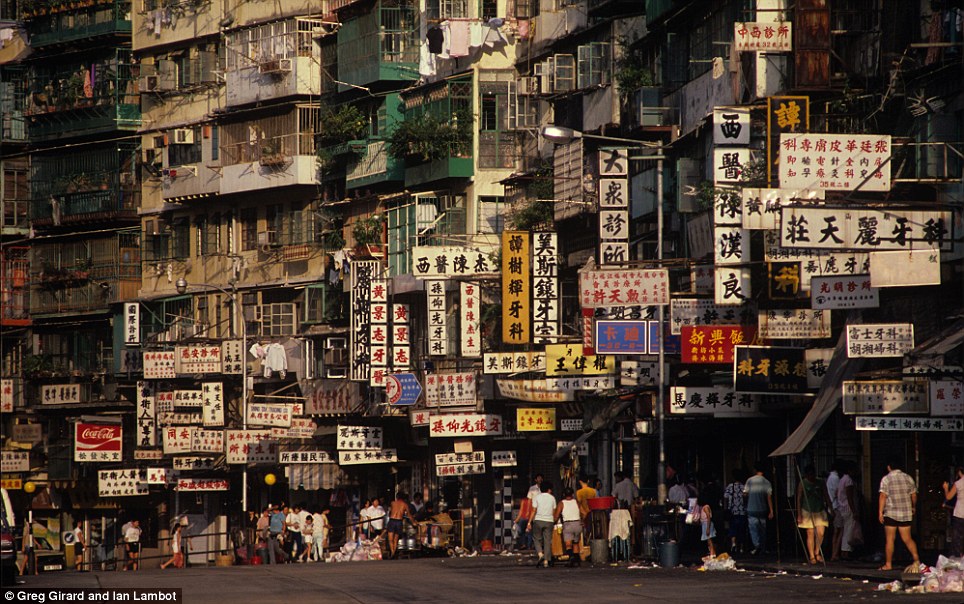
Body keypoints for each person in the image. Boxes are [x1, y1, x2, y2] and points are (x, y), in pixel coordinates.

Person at [878, 458, 920, 571]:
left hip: (891, 513)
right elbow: (914, 495)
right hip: (906, 513)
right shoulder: (908, 478)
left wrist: (880, 512)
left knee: (890, 539)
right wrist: (913, 506)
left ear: (889, 467)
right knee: (907, 538)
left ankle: (888, 564)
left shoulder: (886, 479)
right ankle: (917, 560)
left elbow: (883, 496)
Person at [796, 465, 831, 564]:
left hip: (819, 509)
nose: (811, 477)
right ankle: (811, 556)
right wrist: (799, 514)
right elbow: (799, 499)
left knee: (821, 532)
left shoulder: (820, 482)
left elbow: (826, 495)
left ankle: (817, 551)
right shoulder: (803, 483)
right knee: (810, 533)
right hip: (807, 510)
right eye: (809, 475)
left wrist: (831, 507)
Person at [744, 462, 773, 555]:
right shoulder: (766, 482)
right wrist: (771, 510)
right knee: (762, 529)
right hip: (762, 508)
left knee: (753, 529)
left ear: (755, 470)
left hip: (751, 508)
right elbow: (769, 497)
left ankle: (757, 546)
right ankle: (763, 547)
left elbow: (745, 493)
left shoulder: (750, 480)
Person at [528, 481, 556, 568]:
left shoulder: (537, 497)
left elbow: (533, 510)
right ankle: (546, 561)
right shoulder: (552, 498)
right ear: (548, 490)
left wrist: (529, 522)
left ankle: (540, 554)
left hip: (538, 520)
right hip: (549, 521)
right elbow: (553, 511)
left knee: (536, 539)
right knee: (547, 540)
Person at [554, 487, 582, 567]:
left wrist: (554, 521)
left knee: (568, 545)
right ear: (572, 494)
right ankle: (577, 560)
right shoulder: (576, 502)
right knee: (576, 543)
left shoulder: (561, 503)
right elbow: (582, 512)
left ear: (564, 494)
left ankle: (571, 557)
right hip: (577, 523)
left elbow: (557, 515)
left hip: (568, 524)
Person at [836, 462, 858, 561]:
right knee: (848, 530)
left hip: (842, 507)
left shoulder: (842, 480)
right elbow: (850, 497)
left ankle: (844, 551)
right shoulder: (848, 481)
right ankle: (846, 551)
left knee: (845, 530)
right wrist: (854, 511)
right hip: (848, 508)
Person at [723, 471, 748, 553]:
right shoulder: (744, 487)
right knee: (741, 529)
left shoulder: (730, 486)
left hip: (732, 510)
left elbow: (725, 497)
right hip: (742, 511)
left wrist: (727, 507)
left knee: (733, 528)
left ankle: (733, 544)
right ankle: (741, 547)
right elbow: (746, 497)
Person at [943, 466, 964, 557]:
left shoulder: (958, 483)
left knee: (957, 538)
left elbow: (948, 497)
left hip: (960, 513)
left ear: (960, 472)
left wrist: (946, 488)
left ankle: (959, 557)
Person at [386, 492, 415, 558]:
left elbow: (390, 512)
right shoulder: (405, 504)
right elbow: (409, 514)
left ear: (397, 497)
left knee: (390, 539)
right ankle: (393, 552)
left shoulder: (393, 503)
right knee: (395, 538)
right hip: (399, 521)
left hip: (392, 520)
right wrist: (413, 522)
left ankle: (392, 552)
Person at [826, 461, 843, 562]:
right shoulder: (836, 478)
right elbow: (838, 492)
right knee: (838, 530)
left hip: (833, 506)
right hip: (836, 506)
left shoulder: (830, 478)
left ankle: (835, 552)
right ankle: (835, 553)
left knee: (836, 530)